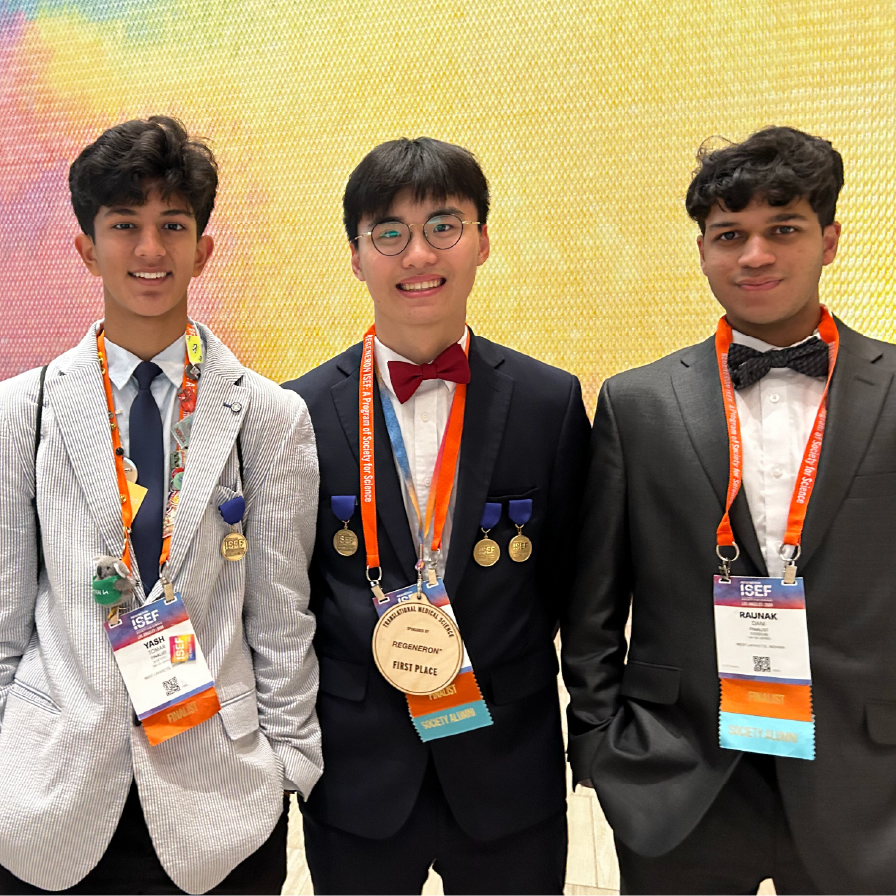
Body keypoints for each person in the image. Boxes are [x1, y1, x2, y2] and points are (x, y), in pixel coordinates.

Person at [563, 124, 896, 894]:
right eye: (730, 234)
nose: (755, 255)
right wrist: (602, 749)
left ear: (831, 238)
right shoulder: (636, 403)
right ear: (704, 248)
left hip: (867, 781)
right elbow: (593, 609)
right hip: (682, 780)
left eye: (784, 229)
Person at [0, 116, 322, 895]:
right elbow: (5, 612)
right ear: (87, 247)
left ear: (203, 248)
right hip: (50, 801)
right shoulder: (25, 412)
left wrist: (287, 767)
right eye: (124, 226)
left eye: (172, 225)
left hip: (222, 806)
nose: (150, 250)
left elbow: (281, 615)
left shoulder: (268, 417)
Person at [283, 136, 590, 895]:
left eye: (443, 226)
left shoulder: (549, 404)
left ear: (482, 239)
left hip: (506, 766)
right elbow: (292, 590)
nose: (417, 254)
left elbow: (568, 584)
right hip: (358, 773)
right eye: (389, 232)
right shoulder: (295, 411)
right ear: (356, 255)